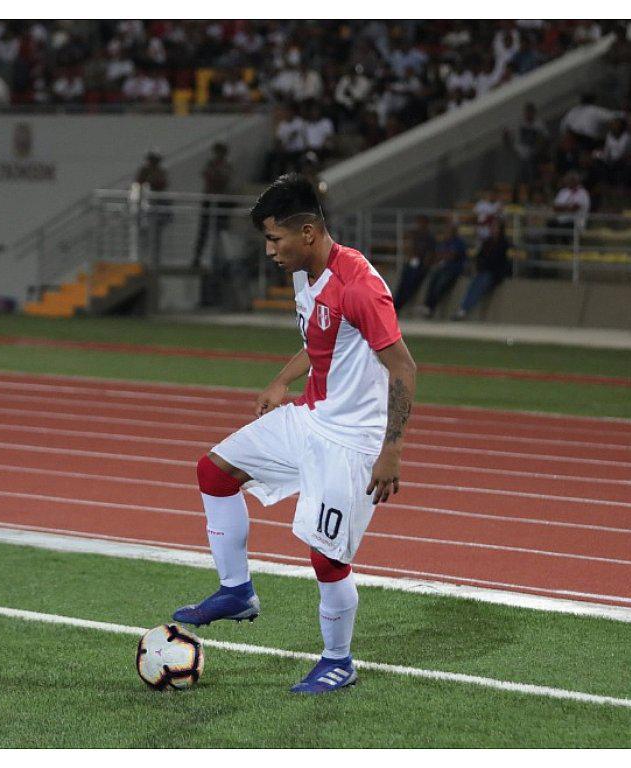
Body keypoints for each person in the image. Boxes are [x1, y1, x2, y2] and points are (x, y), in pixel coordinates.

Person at [171, 174, 417, 695]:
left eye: (275, 239)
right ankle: (236, 591)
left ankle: (339, 660)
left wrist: (391, 449)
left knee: (327, 558)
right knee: (214, 471)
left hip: (352, 439)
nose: (269, 251)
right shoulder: (306, 273)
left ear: (308, 232)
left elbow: (402, 367)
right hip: (310, 416)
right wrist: (284, 378)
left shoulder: (360, 286)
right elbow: (323, 336)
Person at [452, 220, 513, 320]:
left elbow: (498, 260)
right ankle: (462, 309)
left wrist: (485, 266)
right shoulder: (487, 242)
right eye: (492, 227)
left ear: (500, 230)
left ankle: (464, 309)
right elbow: (479, 256)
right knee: (473, 284)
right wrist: (478, 265)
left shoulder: (504, 243)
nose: (493, 229)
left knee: (481, 283)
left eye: (495, 227)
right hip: (483, 271)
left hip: (495, 273)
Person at [192, 142, 235, 270]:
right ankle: (197, 258)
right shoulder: (211, 164)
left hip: (220, 201)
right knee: (203, 232)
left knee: (219, 232)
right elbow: (208, 177)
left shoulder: (226, 166)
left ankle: (218, 261)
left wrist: (217, 177)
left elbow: (223, 180)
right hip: (209, 200)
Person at [419, 223, 468, 318]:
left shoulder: (458, 242)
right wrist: (444, 255)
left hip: (453, 269)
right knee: (432, 280)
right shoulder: (445, 242)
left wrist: (444, 255)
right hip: (443, 268)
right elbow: (438, 255)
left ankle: (430, 307)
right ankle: (427, 306)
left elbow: (451, 256)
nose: (446, 233)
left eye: (448, 231)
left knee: (441, 284)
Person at [393, 214, 436, 313]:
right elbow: (409, 248)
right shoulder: (415, 235)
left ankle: (399, 306)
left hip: (421, 265)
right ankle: (395, 305)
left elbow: (430, 253)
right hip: (413, 263)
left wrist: (424, 264)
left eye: (421, 223)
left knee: (411, 284)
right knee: (403, 282)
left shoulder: (429, 237)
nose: (419, 225)